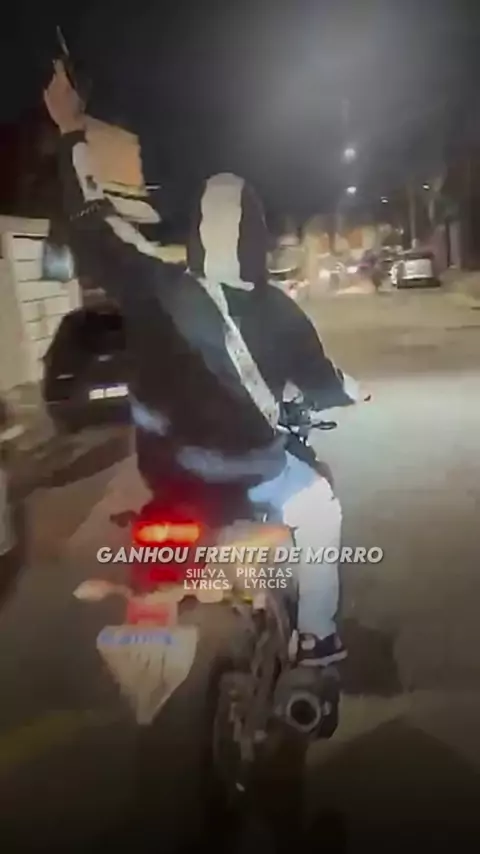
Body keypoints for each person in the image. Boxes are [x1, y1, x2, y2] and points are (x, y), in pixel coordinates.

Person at [44, 62, 365, 667]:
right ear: (258, 238)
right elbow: (322, 385)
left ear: (193, 232)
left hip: (170, 479)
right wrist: (349, 392)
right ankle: (317, 637)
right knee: (320, 507)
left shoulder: (152, 285)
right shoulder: (281, 313)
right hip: (255, 473)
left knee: (144, 529)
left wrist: (69, 128)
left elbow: (90, 221)